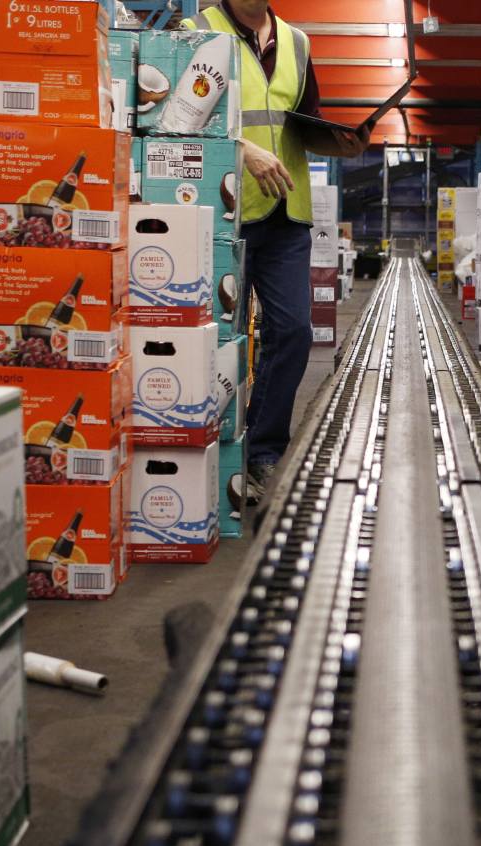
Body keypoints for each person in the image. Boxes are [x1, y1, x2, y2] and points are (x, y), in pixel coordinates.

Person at [184, 0, 367, 504]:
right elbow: (177, 121)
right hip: (221, 209)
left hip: (286, 214)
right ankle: (204, 451)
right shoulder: (196, 29)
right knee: (218, 335)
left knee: (292, 331)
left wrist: (341, 144)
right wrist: (242, 148)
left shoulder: (298, 43)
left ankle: (263, 450)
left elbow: (303, 126)